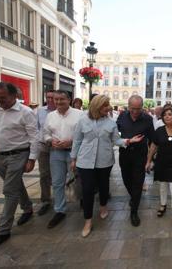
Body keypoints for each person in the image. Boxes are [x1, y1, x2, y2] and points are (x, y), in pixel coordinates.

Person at [70, 95, 143, 237]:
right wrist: (73, 158)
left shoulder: (111, 122)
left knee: (104, 187)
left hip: (105, 161)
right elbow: (77, 140)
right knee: (87, 190)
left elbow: (116, 140)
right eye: (105, 105)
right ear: (97, 106)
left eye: (108, 105)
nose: (108, 107)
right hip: (85, 161)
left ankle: (103, 206)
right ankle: (88, 221)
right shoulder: (83, 120)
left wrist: (129, 141)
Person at [0, 82, 39, 251]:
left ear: (14, 96)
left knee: (9, 191)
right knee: (15, 186)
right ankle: (27, 208)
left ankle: (3, 230)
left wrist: (31, 159)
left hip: (18, 155)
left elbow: (34, 137)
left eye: (2, 98)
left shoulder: (26, 112)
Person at [43, 90, 83, 229]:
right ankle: (60, 210)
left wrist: (71, 141)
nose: (58, 102)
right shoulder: (50, 116)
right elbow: (45, 134)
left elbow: (85, 134)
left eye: (62, 99)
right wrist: (50, 141)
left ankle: (82, 199)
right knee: (57, 182)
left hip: (75, 152)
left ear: (69, 100)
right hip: (56, 153)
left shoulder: (79, 115)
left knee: (76, 179)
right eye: (56, 99)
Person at [116, 95, 155, 227]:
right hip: (125, 154)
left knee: (138, 183)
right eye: (133, 108)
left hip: (140, 156)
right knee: (126, 180)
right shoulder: (122, 116)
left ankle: (134, 212)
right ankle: (134, 197)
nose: (135, 112)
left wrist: (150, 160)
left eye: (138, 109)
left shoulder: (148, 119)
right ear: (128, 106)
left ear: (142, 107)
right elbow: (116, 134)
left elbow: (152, 141)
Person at [146, 106, 172, 229]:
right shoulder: (159, 131)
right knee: (162, 186)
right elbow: (153, 147)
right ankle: (163, 205)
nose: (167, 116)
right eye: (165, 115)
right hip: (161, 163)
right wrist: (148, 161)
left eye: (169, 114)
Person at [35, 90, 56, 216]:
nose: (50, 100)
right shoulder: (40, 111)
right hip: (44, 147)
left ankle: (64, 197)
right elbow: (36, 128)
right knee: (44, 174)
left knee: (62, 175)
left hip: (60, 147)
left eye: (52, 97)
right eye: (48, 97)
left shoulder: (62, 111)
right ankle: (45, 201)